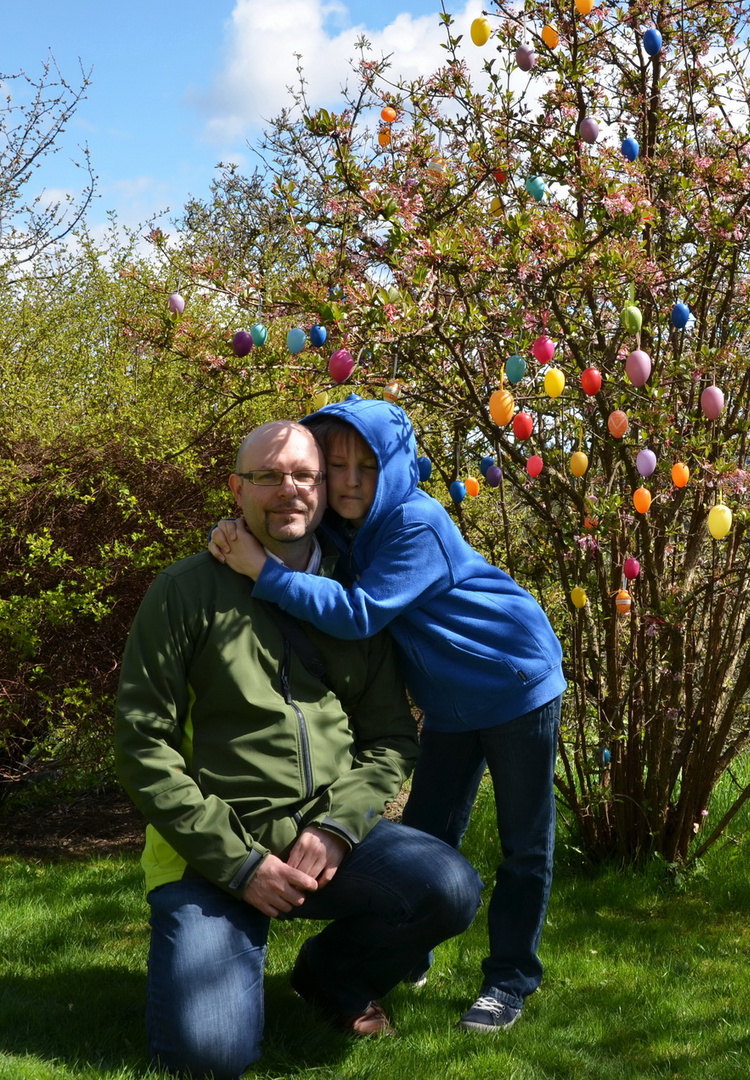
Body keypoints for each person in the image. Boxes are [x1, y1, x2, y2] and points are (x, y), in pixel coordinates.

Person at [116, 420, 482, 1079]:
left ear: (322, 490)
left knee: (449, 886)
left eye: (303, 476)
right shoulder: (182, 592)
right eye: (267, 476)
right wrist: (240, 865)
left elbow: (393, 741)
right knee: (209, 1059)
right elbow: (143, 745)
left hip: (329, 845)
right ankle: (223, 954)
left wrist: (340, 826)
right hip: (213, 859)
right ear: (236, 489)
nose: (288, 489)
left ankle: (332, 976)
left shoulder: (353, 600)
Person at [208, 396, 565, 1033]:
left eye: (366, 468)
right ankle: (408, 950)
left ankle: (509, 979)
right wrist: (235, 534)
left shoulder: (414, 525)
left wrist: (260, 569)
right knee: (427, 836)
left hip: (512, 680)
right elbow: (284, 527)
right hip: (450, 702)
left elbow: (358, 613)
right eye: (335, 464)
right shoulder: (346, 530)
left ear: (395, 468)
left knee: (523, 845)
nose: (348, 482)